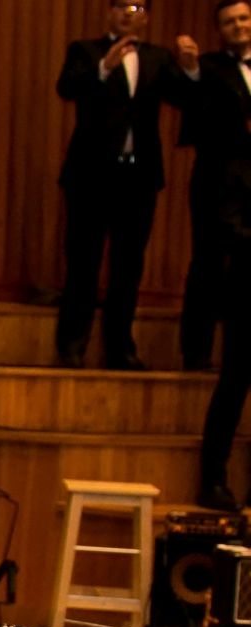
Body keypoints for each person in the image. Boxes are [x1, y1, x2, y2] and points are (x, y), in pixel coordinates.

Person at [54, 2, 200, 369]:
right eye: (121, 5)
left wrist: (190, 69)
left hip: (139, 177)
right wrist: (104, 68)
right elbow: (67, 87)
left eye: (136, 6)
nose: (128, 13)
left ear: (146, 16)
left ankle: (120, 348)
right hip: (90, 174)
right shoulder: (85, 50)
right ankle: (72, 344)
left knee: (128, 267)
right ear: (109, 12)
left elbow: (185, 99)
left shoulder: (157, 57)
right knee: (83, 263)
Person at [177, 1, 251, 372]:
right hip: (218, 178)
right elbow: (190, 106)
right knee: (208, 264)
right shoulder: (206, 67)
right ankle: (197, 352)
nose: (238, 26)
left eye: (244, 18)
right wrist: (190, 70)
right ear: (219, 30)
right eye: (229, 22)